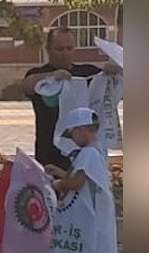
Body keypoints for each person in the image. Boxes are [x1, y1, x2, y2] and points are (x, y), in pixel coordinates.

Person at [50, 107, 118, 253]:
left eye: (73, 134)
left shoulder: (89, 153)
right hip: (81, 215)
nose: (73, 139)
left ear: (80, 130)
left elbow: (77, 183)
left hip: (87, 217)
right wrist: (59, 172)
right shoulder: (89, 153)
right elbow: (80, 177)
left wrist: (60, 183)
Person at [20, 26, 101, 169]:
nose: (65, 53)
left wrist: (113, 71)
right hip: (49, 153)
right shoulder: (38, 74)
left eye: (69, 48)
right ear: (48, 49)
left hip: (83, 152)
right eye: (60, 49)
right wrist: (51, 77)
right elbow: (26, 85)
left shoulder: (87, 72)